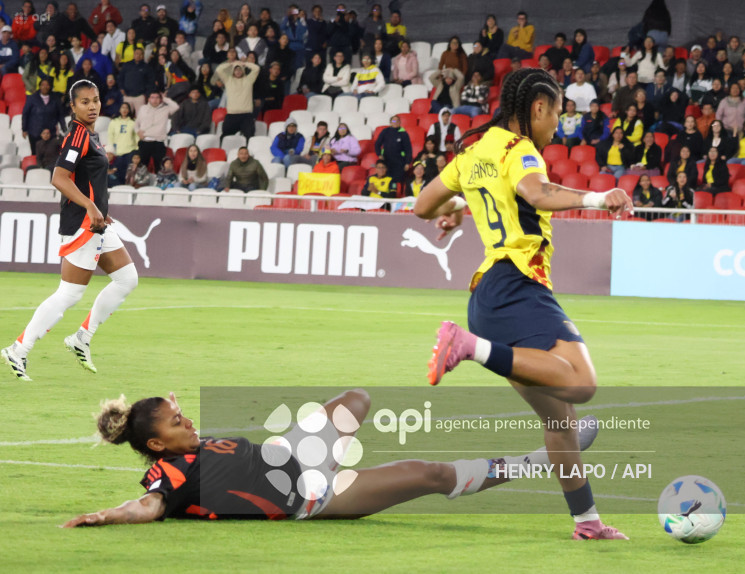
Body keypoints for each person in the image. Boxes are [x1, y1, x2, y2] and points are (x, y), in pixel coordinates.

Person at [412, 68, 631, 541]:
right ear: (537, 107)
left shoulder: (472, 153)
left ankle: (587, 522)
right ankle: (466, 346)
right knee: (582, 383)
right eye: (556, 113)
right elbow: (536, 192)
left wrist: (458, 210)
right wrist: (599, 197)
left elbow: (423, 206)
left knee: (560, 420)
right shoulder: (520, 149)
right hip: (517, 284)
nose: (557, 125)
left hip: (487, 298)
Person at [62, 388, 601, 527]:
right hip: (313, 494)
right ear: (156, 445)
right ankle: (548, 458)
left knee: (356, 400)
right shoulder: (170, 474)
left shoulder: (193, 447)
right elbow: (149, 506)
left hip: (294, 451)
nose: (188, 422)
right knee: (431, 474)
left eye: (182, 414)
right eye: (176, 422)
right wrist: (106, 515)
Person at [2, 80, 138, 382]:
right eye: (85, 102)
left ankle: (81, 338)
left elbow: (88, 180)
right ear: (73, 106)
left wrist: (100, 210)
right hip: (82, 225)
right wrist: (90, 207)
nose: (92, 106)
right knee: (69, 293)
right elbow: (59, 178)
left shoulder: (91, 135)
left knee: (127, 278)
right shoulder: (77, 135)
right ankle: (18, 349)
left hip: (96, 222)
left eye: (96, 100)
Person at [135, 91, 178, 172]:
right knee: (142, 167)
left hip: (159, 142)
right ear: (149, 99)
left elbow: (176, 107)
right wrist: (138, 131)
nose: (155, 100)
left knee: (159, 167)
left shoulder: (166, 109)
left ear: (160, 99)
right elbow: (136, 123)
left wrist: (165, 98)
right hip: (145, 141)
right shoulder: (143, 108)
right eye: (152, 97)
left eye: (157, 98)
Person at [21, 78, 66, 153]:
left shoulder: (55, 99)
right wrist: (24, 129)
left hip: (51, 132)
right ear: (39, 86)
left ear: (50, 86)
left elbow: (60, 115)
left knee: (51, 154)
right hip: (35, 132)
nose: (45, 87)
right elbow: (25, 114)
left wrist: (64, 129)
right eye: (43, 85)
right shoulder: (32, 98)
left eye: (47, 85)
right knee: (36, 154)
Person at [216, 60, 259, 139]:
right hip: (232, 115)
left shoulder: (248, 80)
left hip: (246, 115)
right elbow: (219, 69)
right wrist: (230, 64)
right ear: (233, 71)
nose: (238, 71)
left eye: (240, 69)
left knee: (250, 137)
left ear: (243, 70)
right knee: (225, 137)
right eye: (236, 69)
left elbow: (256, 68)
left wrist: (244, 63)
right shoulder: (228, 80)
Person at [431, 36, 468, 110]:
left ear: (459, 45)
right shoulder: (445, 53)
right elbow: (440, 66)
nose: (455, 44)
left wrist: (454, 71)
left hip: (457, 77)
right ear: (449, 44)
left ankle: (445, 109)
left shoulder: (462, 55)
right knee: (434, 103)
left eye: (456, 43)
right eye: (453, 43)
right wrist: (441, 74)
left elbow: (465, 69)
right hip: (446, 74)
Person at [375, 115, 412, 186]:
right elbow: (377, 144)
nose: (395, 122)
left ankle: (396, 191)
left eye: (397, 121)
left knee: (397, 182)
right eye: (394, 121)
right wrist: (379, 154)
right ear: (390, 123)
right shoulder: (385, 132)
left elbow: (408, 149)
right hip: (386, 161)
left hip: (399, 162)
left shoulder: (404, 133)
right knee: (387, 180)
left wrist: (407, 162)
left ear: (400, 122)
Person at [118, 47, 155, 114]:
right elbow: (120, 78)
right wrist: (121, 88)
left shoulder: (147, 67)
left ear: (143, 56)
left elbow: (151, 82)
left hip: (140, 96)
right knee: (126, 116)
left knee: (141, 115)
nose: (138, 55)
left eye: (141, 54)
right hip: (127, 95)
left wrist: (146, 94)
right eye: (137, 53)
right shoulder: (126, 65)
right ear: (134, 55)